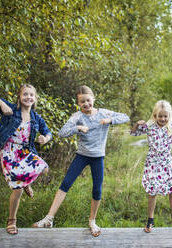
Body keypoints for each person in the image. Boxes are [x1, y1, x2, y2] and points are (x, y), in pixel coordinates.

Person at [32, 85, 129, 237]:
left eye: (88, 100)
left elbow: (125, 117)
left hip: (98, 157)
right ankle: (49, 219)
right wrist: (78, 128)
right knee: (65, 184)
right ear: (78, 103)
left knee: (97, 189)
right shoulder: (77, 116)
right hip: (82, 156)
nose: (86, 104)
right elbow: (62, 133)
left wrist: (110, 120)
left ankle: (92, 221)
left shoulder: (103, 112)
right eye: (82, 102)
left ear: (93, 99)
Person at [0, 84, 51, 235]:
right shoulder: (11, 109)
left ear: (35, 98)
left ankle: (25, 180)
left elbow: (48, 132)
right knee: (18, 189)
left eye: (31, 95)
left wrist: (44, 138)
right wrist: (1, 104)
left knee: (44, 168)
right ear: (20, 97)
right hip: (9, 152)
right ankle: (11, 221)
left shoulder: (36, 118)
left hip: (25, 152)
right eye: (25, 94)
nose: (28, 97)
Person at [130, 100, 172, 233]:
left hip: (166, 163)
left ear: (169, 116)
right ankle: (150, 220)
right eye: (160, 116)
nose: (163, 119)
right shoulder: (149, 127)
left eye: (165, 116)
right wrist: (137, 124)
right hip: (152, 162)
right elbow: (133, 133)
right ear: (155, 116)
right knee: (152, 192)